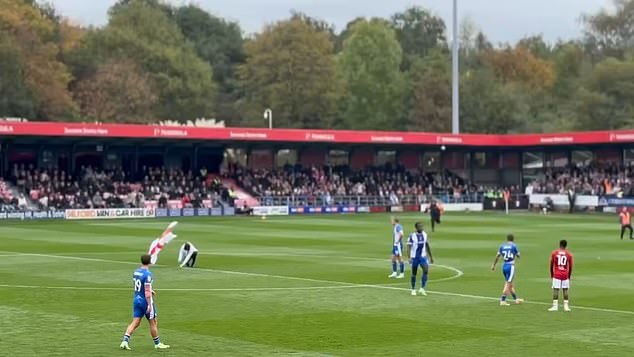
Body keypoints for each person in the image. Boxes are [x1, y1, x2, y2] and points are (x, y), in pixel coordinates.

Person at [120, 254, 170, 350]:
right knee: (153, 322)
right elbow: (147, 292)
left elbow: (139, 285)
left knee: (136, 322)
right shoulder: (147, 274)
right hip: (145, 301)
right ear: (150, 262)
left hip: (137, 299)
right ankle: (157, 344)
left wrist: (150, 290)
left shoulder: (136, 272)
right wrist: (149, 304)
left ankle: (125, 341)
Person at [491, 234, 524, 306]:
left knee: (510, 284)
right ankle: (502, 300)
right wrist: (517, 254)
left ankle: (516, 299)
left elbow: (497, 256)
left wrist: (494, 265)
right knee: (508, 284)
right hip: (510, 266)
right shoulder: (514, 246)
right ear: (513, 239)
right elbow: (518, 255)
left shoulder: (502, 246)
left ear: (507, 239)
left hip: (504, 266)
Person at [407, 222, 434, 296]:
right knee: (414, 273)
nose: (421, 228)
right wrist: (409, 257)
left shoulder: (425, 234)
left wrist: (431, 257)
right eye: (419, 227)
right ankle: (413, 289)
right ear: (416, 228)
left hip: (422, 256)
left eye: (422, 226)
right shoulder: (412, 236)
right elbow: (409, 247)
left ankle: (422, 288)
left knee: (426, 270)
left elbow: (427, 245)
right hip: (414, 257)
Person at [549, 239, 573, 312]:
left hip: (557, 274)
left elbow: (551, 264)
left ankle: (555, 306)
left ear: (559, 245)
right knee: (565, 290)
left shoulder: (554, 253)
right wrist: (569, 275)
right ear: (566, 246)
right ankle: (566, 306)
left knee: (556, 289)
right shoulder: (569, 254)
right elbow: (571, 266)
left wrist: (552, 274)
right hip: (565, 274)